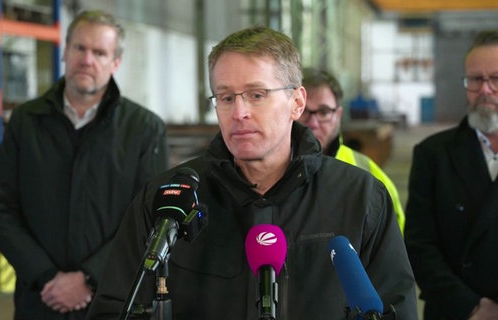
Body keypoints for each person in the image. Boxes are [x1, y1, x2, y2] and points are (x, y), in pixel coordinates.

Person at [86, 26, 418, 320]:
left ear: (297, 102)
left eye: (256, 95)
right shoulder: (168, 200)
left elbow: (396, 308)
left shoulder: (360, 198)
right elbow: (114, 307)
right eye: (226, 97)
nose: (239, 112)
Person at [0, 10, 169, 319]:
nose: (87, 60)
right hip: (40, 299)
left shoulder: (145, 130)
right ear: (65, 52)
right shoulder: (26, 123)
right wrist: (45, 275)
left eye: (99, 52)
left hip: (114, 301)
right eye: (80, 48)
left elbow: (149, 219)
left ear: (115, 62)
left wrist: (89, 278)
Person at [405, 30, 498, 320]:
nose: (485, 90)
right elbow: (420, 245)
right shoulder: (433, 155)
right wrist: (473, 307)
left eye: (495, 78)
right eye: (475, 79)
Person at [297, 68, 405, 233]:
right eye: (303, 110)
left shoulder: (367, 172)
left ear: (339, 115)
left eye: (324, 112)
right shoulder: (267, 171)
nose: (313, 122)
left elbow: (396, 239)